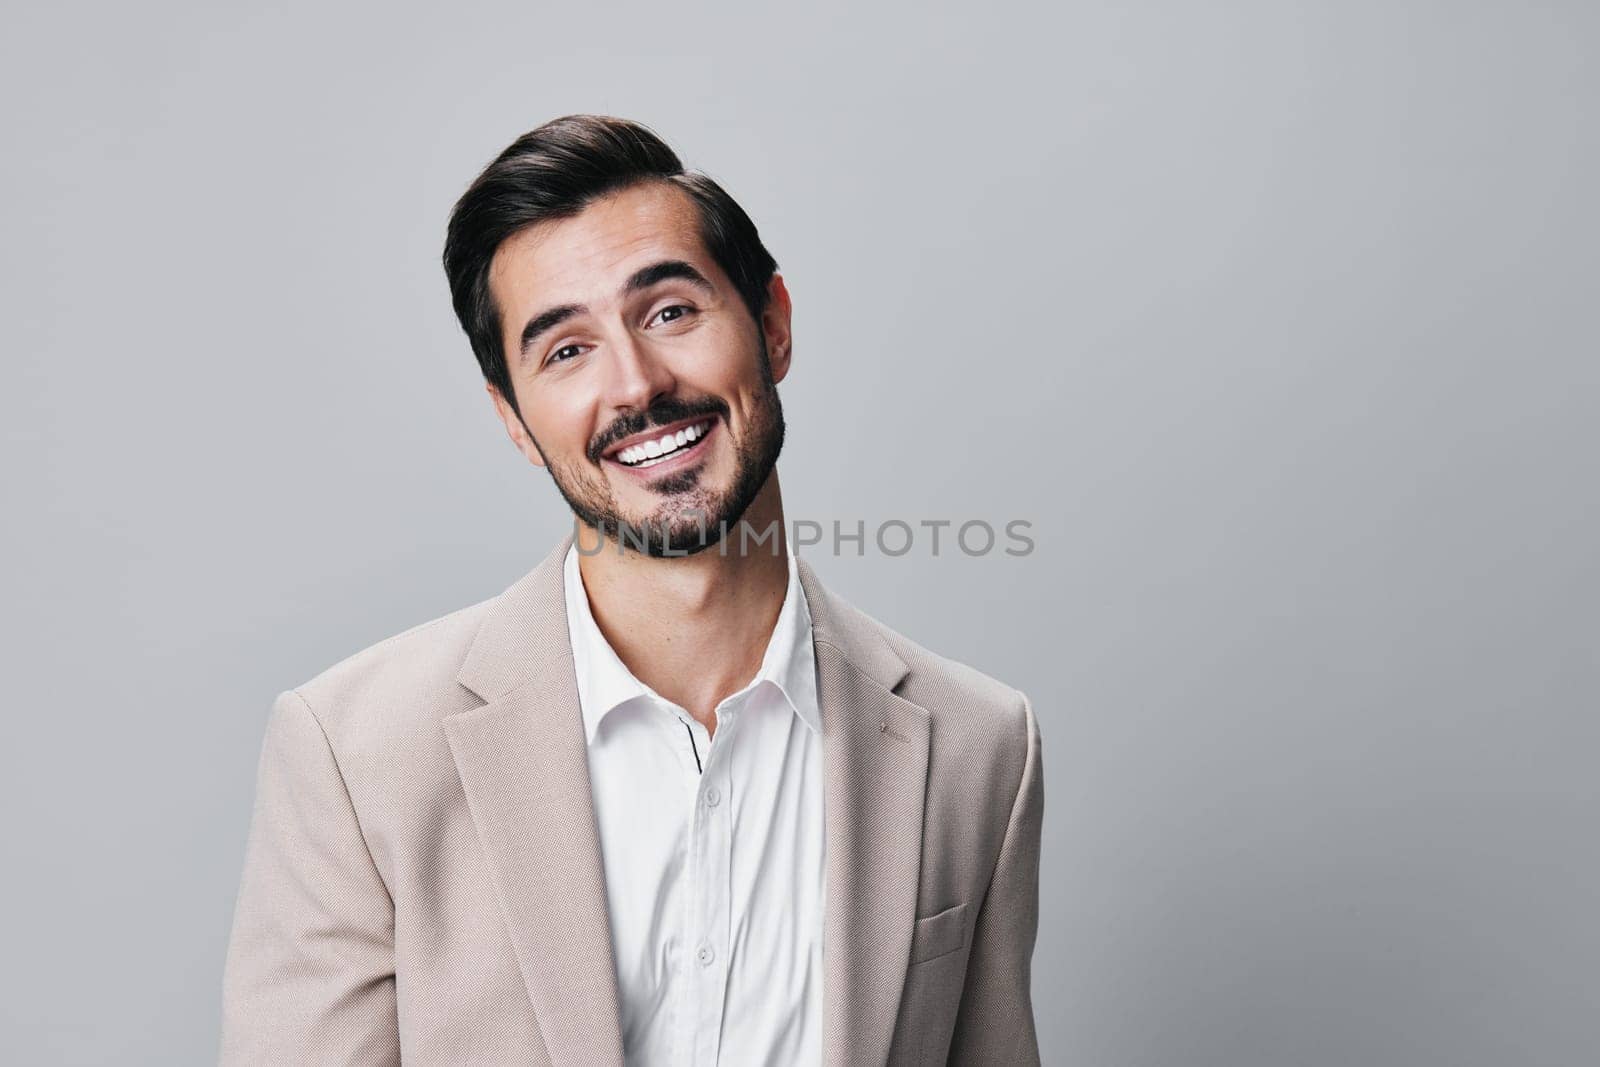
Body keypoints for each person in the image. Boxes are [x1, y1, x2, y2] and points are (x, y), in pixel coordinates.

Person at [219, 114, 1043, 1066]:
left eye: (670, 313)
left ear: (773, 323)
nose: (638, 385)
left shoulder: (982, 745)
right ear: (516, 419)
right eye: (565, 350)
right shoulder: (354, 756)